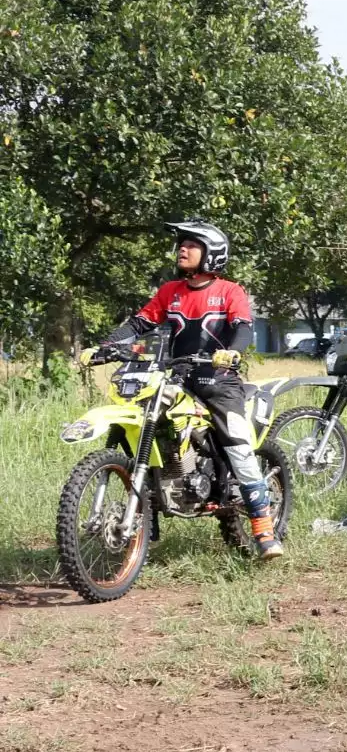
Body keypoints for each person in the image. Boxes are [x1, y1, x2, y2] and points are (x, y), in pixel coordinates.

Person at [104, 221, 282, 558]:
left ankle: (264, 529)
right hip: (175, 377)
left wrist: (232, 352)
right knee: (145, 431)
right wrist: (105, 345)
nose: (182, 249)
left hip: (218, 380)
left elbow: (242, 328)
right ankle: (146, 522)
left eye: (191, 244)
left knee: (238, 445)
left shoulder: (231, 291)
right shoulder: (170, 291)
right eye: (181, 244)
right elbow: (139, 323)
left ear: (212, 254)